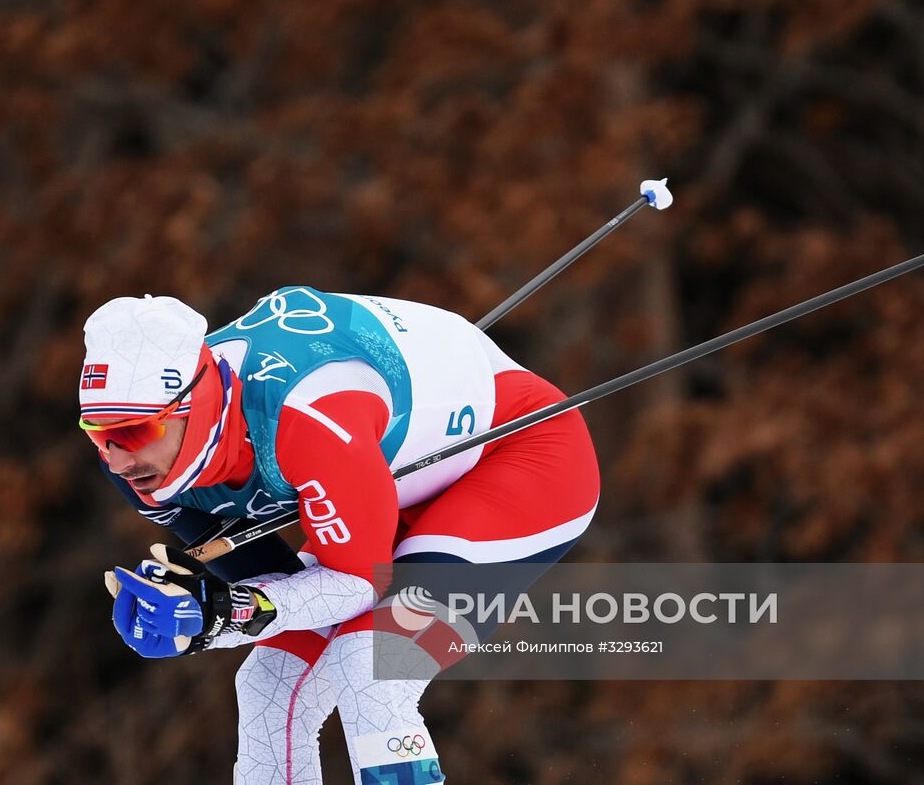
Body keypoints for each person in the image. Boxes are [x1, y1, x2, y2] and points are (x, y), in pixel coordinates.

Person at [80, 286, 599, 785]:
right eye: (100, 435)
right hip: (388, 476)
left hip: (522, 456)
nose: (120, 460)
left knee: (372, 664)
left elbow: (354, 582)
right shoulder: (138, 466)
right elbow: (273, 586)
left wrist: (219, 616)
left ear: (192, 407)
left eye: (135, 431)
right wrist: (203, 616)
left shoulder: (308, 416)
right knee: (270, 684)